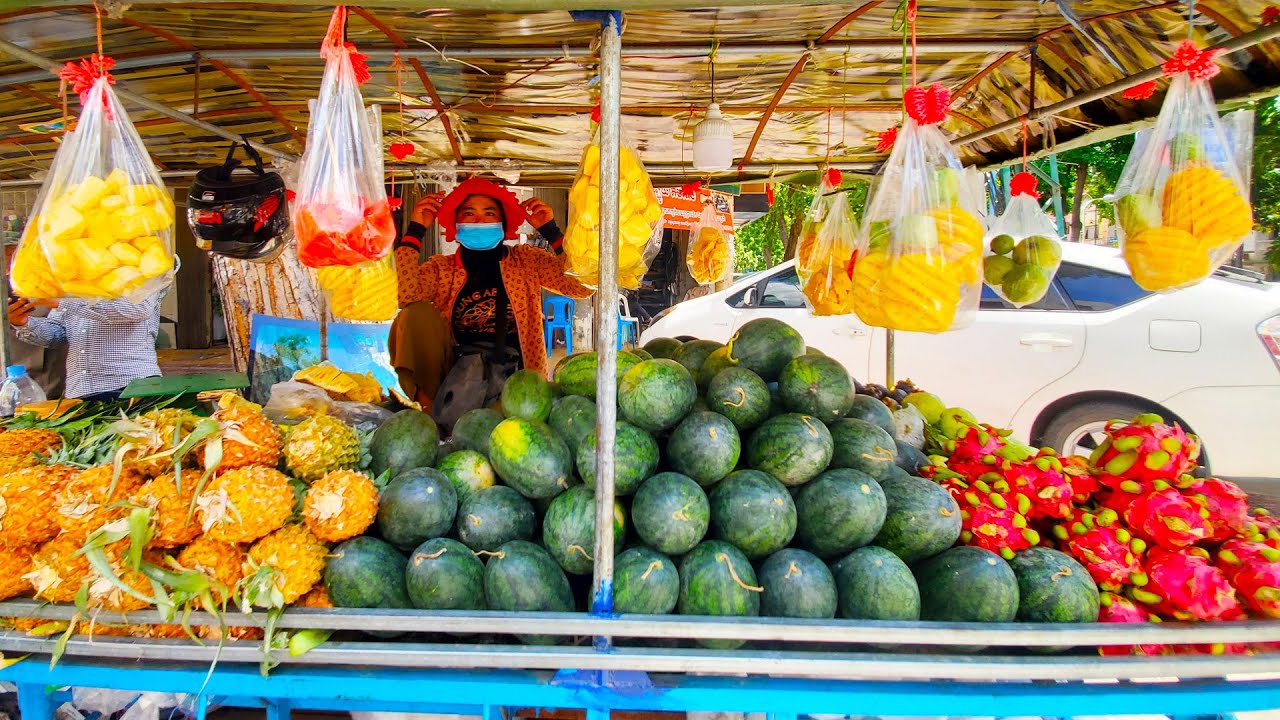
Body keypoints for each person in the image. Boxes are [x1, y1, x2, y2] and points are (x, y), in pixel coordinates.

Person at [391, 178, 591, 422]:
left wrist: (552, 231)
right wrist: (415, 230)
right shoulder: (442, 269)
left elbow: (581, 286)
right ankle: (430, 410)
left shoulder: (526, 261)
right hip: (456, 379)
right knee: (412, 315)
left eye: (489, 213)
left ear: (503, 223)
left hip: (517, 380)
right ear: (456, 224)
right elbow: (405, 294)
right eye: (469, 214)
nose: (479, 221)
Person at [8, 288, 163, 402]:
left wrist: (62, 302)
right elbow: (57, 334)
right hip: (78, 392)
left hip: (130, 386)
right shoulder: (73, 278)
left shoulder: (141, 264)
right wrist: (22, 322)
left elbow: (137, 309)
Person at [3, 241, 66, 397]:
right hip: (15, 376)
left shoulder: (60, 283)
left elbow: (56, 332)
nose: (8, 269)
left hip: (59, 373)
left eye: (14, 258)